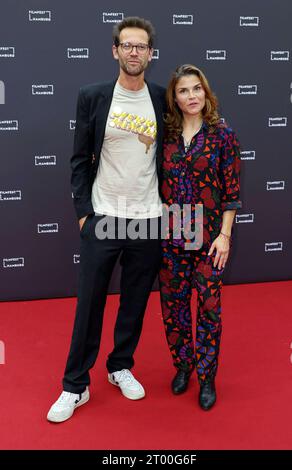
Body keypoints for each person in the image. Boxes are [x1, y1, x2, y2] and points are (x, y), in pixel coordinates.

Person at [47, 16, 166, 423]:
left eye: (142, 46)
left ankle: (120, 366)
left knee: (134, 301)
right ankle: (74, 386)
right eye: (127, 45)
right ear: (116, 50)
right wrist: (84, 215)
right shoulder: (94, 96)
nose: (135, 52)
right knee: (90, 305)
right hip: (104, 216)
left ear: (151, 53)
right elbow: (79, 159)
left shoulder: (162, 97)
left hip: (148, 217)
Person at [159, 64, 242, 410]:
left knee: (209, 309)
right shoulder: (166, 136)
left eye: (196, 89)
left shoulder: (222, 134)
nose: (191, 96)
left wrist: (225, 235)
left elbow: (232, 190)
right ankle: (184, 366)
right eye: (183, 91)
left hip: (209, 239)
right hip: (171, 237)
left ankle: (207, 378)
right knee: (173, 307)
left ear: (205, 93)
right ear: (174, 98)